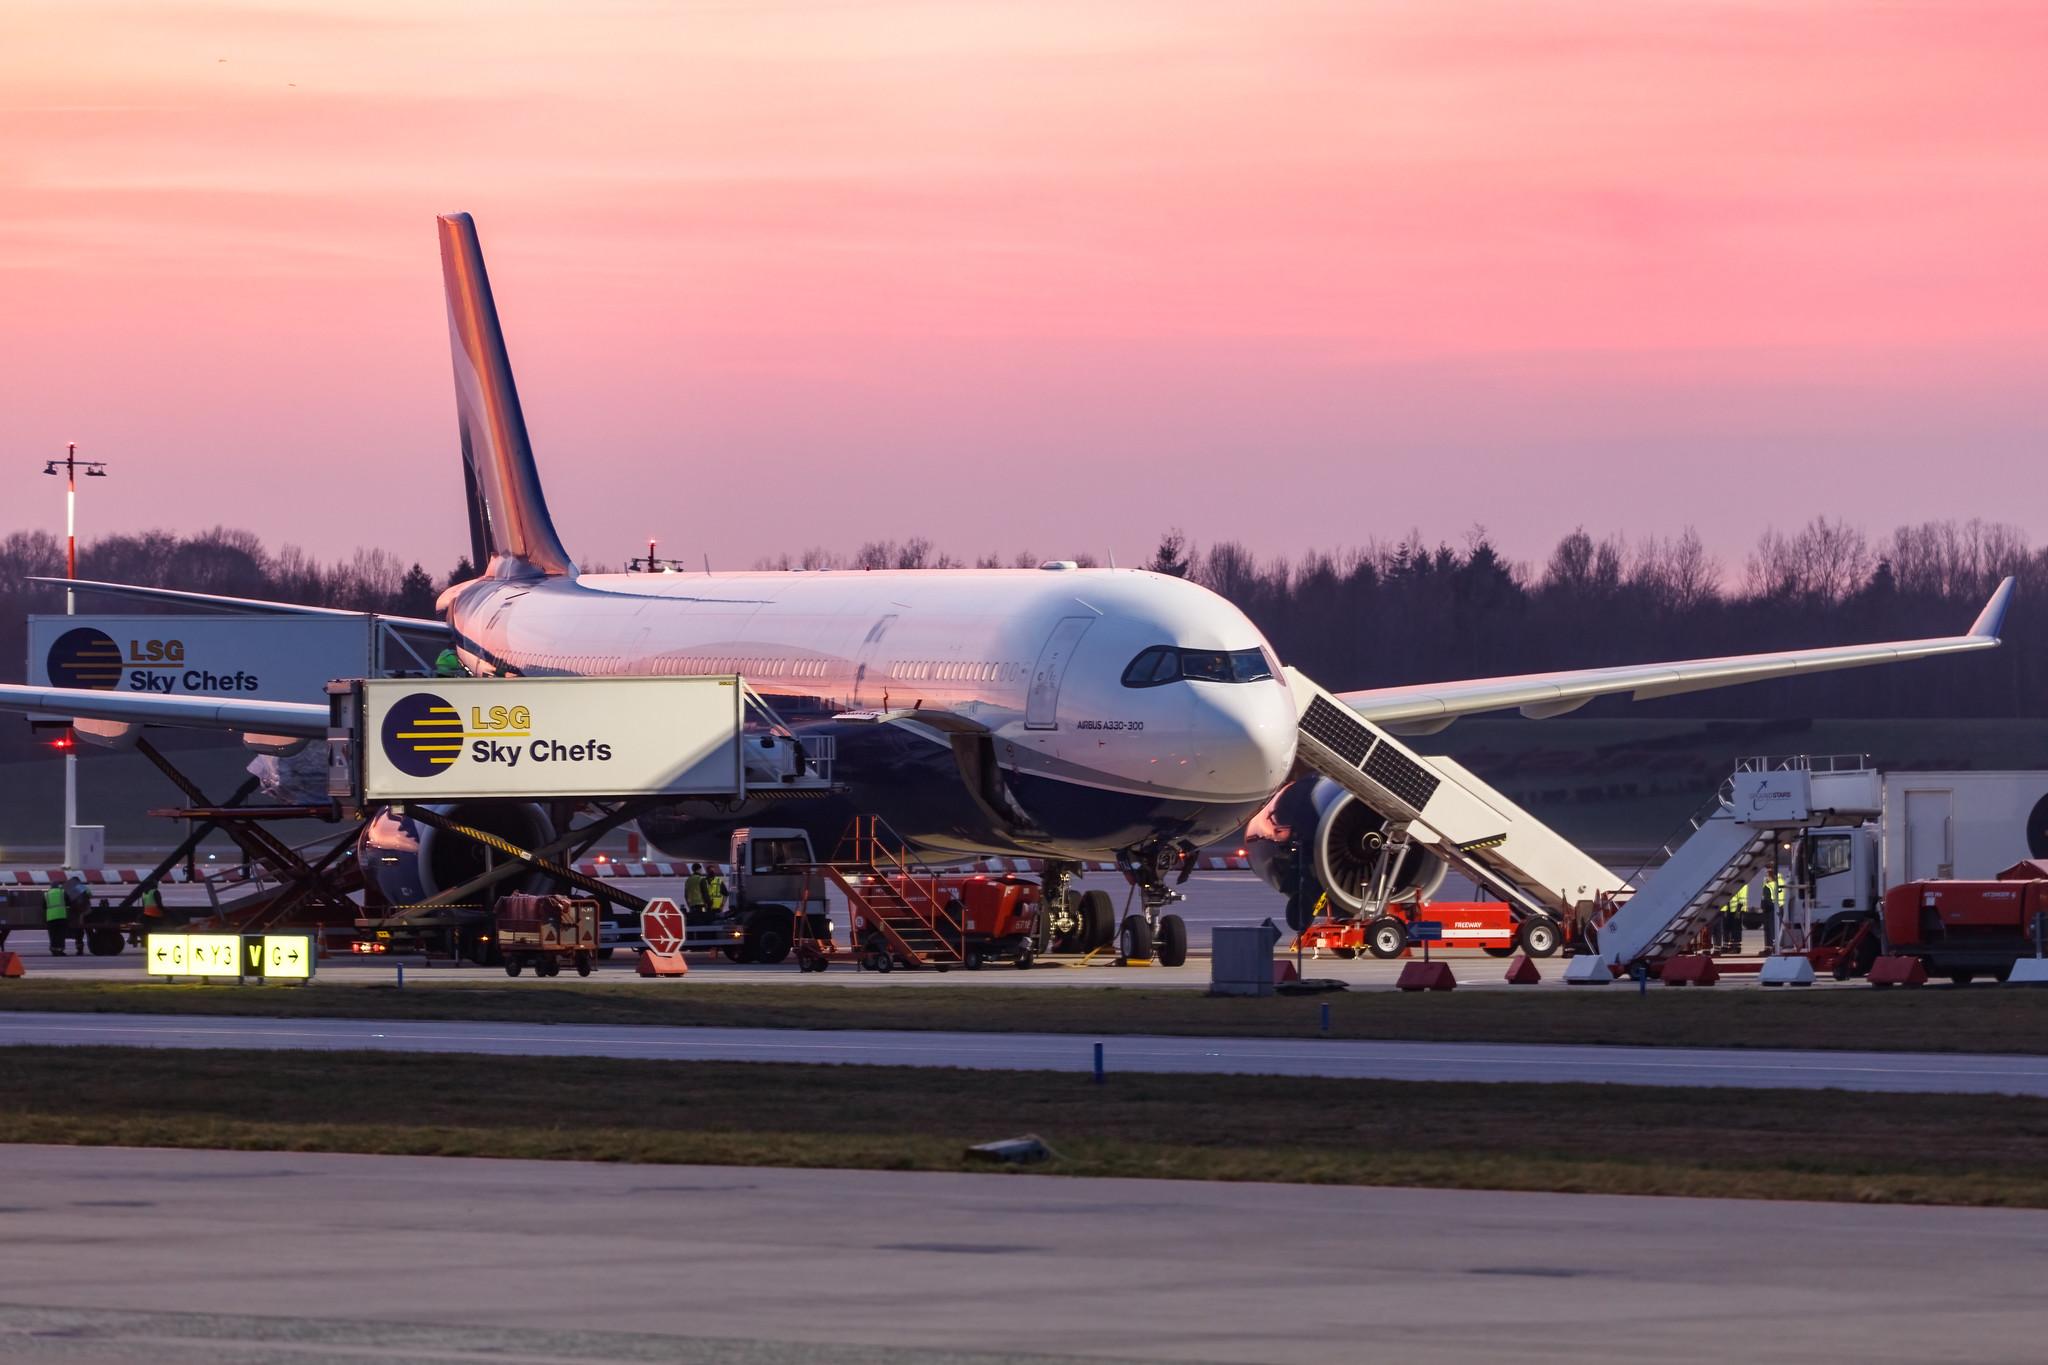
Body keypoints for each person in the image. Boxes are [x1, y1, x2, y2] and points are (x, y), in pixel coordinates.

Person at [44, 879, 69, 955]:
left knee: (53, 935)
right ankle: (60, 950)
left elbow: (43, 906)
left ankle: (53, 950)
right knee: (60, 935)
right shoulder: (62, 893)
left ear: (51, 887)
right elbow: (69, 903)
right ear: (58, 886)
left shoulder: (46, 894)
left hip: (51, 917)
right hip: (61, 916)